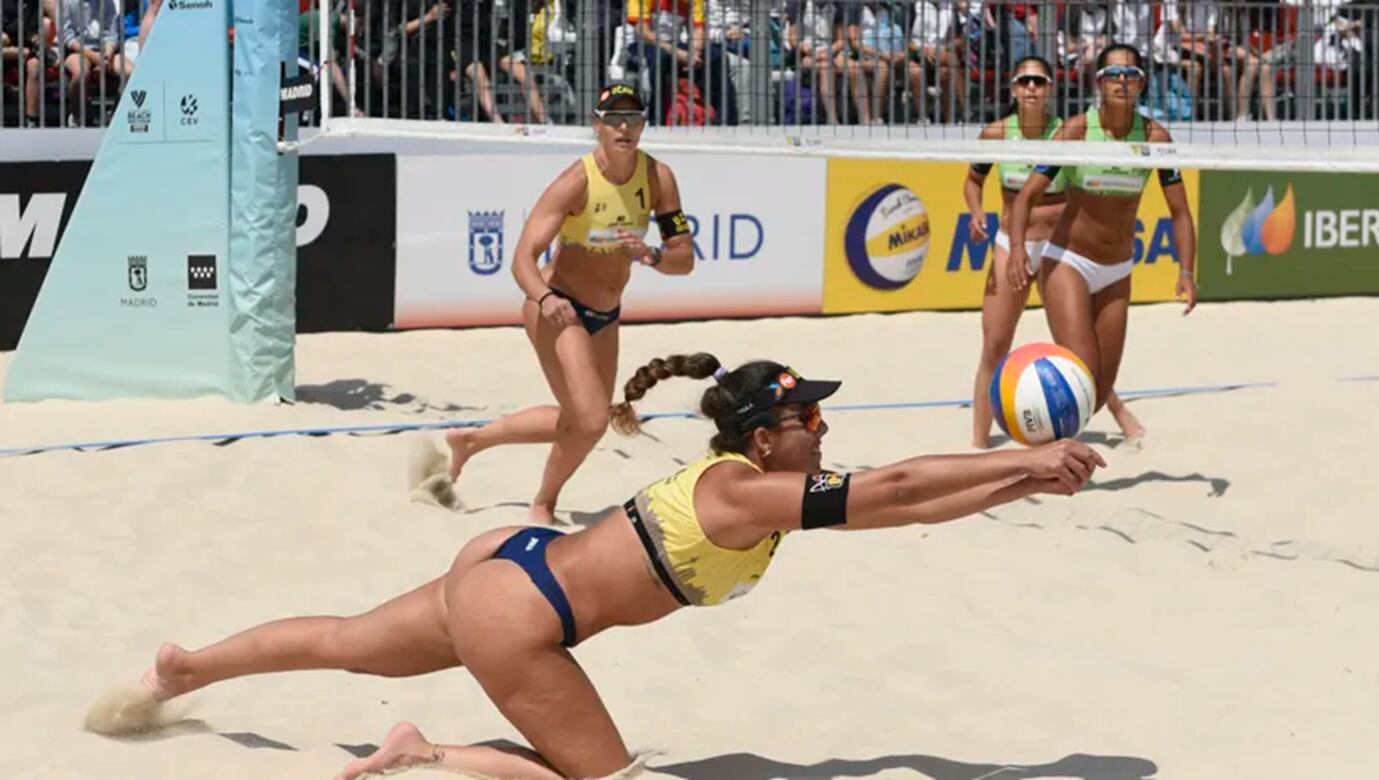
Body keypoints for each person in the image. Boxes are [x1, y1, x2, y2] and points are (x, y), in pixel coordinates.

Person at [89, 353, 1107, 779]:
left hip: (514, 563)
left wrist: (1020, 486)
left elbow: (896, 506)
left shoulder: (756, 491)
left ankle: (183, 670)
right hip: (523, 614)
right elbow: (891, 491)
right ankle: (428, 757)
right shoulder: (742, 493)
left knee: (352, 641)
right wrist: (1019, 453)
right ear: (763, 439)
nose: (824, 425)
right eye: (808, 416)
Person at [445, 83, 696, 526]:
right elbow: (521, 259)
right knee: (592, 419)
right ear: (596, 125)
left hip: (607, 315)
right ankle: (543, 504)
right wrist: (542, 298)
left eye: (634, 118)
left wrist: (652, 255)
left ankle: (472, 441)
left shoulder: (659, 178)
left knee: (582, 418)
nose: (624, 127)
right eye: (614, 118)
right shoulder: (575, 182)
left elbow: (685, 261)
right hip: (559, 306)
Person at [1005, 44, 1197, 434]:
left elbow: (1180, 212)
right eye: (1113, 74)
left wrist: (1187, 272)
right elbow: (1026, 197)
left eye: (1131, 75)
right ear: (1099, 82)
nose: (1122, 81)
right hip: (1068, 261)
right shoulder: (1076, 131)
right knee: (1082, 372)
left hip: (1117, 270)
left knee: (1101, 385)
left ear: (1142, 85)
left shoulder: (1155, 136)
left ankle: (1055, 435)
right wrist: (1017, 251)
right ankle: (1043, 443)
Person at [965, 55, 1142, 450]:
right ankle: (978, 444)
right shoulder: (996, 134)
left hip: (1060, 248)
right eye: (1024, 81)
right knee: (995, 342)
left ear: (1050, 90)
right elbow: (973, 181)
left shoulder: (1067, 133)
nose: (1031, 88)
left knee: (1076, 351)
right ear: (1012, 89)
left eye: (1039, 82)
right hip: (1012, 244)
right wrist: (976, 213)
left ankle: (1118, 411)